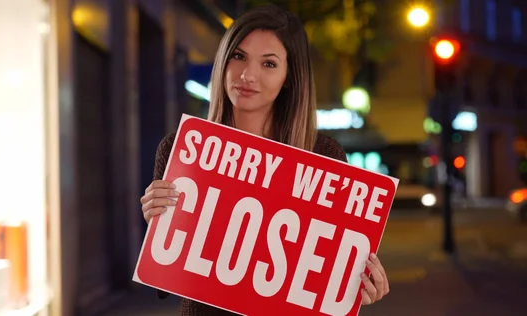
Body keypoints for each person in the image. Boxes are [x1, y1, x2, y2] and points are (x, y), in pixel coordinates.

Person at [139, 5, 390, 315]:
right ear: (223, 61)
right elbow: (165, 284)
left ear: (288, 76)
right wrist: (157, 225)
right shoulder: (184, 150)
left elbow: (327, 281)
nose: (247, 76)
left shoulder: (323, 157)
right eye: (238, 56)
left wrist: (358, 284)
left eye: (269, 63)